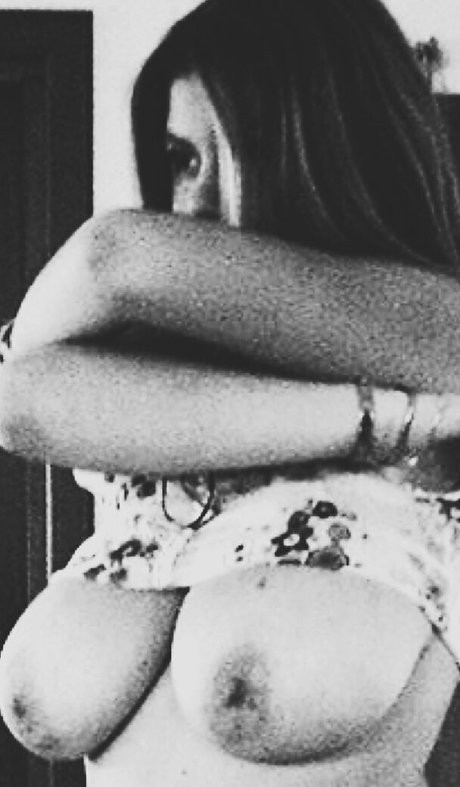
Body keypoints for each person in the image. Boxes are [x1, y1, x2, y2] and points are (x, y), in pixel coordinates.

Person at [1, 0, 460, 784]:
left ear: (333, 154)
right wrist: (370, 419)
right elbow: (31, 385)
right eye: (181, 159)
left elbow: (119, 258)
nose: (199, 204)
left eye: (240, 152)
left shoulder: (436, 337)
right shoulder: (147, 378)